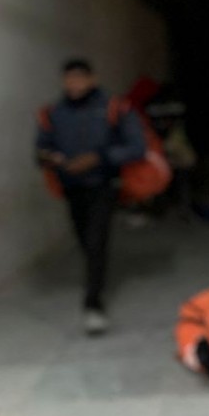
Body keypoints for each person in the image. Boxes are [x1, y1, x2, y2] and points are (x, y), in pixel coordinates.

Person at [35, 59, 146, 334]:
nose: (74, 84)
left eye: (80, 78)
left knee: (96, 241)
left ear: (92, 79)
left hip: (103, 185)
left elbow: (137, 147)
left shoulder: (114, 107)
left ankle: (93, 305)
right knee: (86, 242)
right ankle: (96, 278)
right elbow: (40, 149)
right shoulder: (53, 113)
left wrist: (98, 158)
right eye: (69, 78)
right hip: (72, 188)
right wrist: (52, 158)